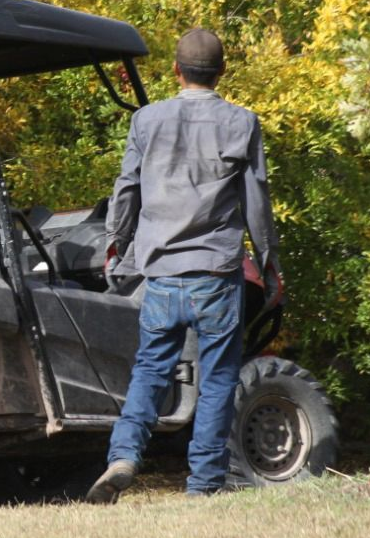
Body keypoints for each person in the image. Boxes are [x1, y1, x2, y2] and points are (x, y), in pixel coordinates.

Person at [87, 29, 282, 503]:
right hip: (216, 273)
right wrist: (270, 262)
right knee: (217, 379)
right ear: (222, 71)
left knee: (151, 370)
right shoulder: (242, 123)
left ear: (175, 70)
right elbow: (256, 202)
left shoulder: (147, 121)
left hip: (162, 274)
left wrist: (116, 244)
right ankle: (203, 486)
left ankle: (125, 455)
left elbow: (126, 188)